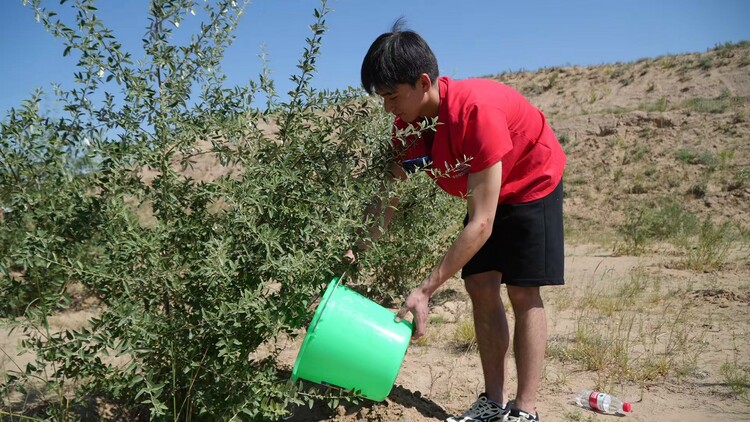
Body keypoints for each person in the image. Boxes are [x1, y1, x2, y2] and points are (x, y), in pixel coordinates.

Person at [348, 20, 566, 422]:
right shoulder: (408, 129)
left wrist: (426, 289)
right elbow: (387, 203)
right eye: (381, 98)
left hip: (533, 180)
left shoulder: (475, 112)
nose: (387, 108)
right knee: (480, 284)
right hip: (488, 190)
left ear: (424, 81)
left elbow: (482, 223)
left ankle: (526, 410)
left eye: (393, 96)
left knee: (522, 292)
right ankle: (493, 403)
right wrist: (354, 252)